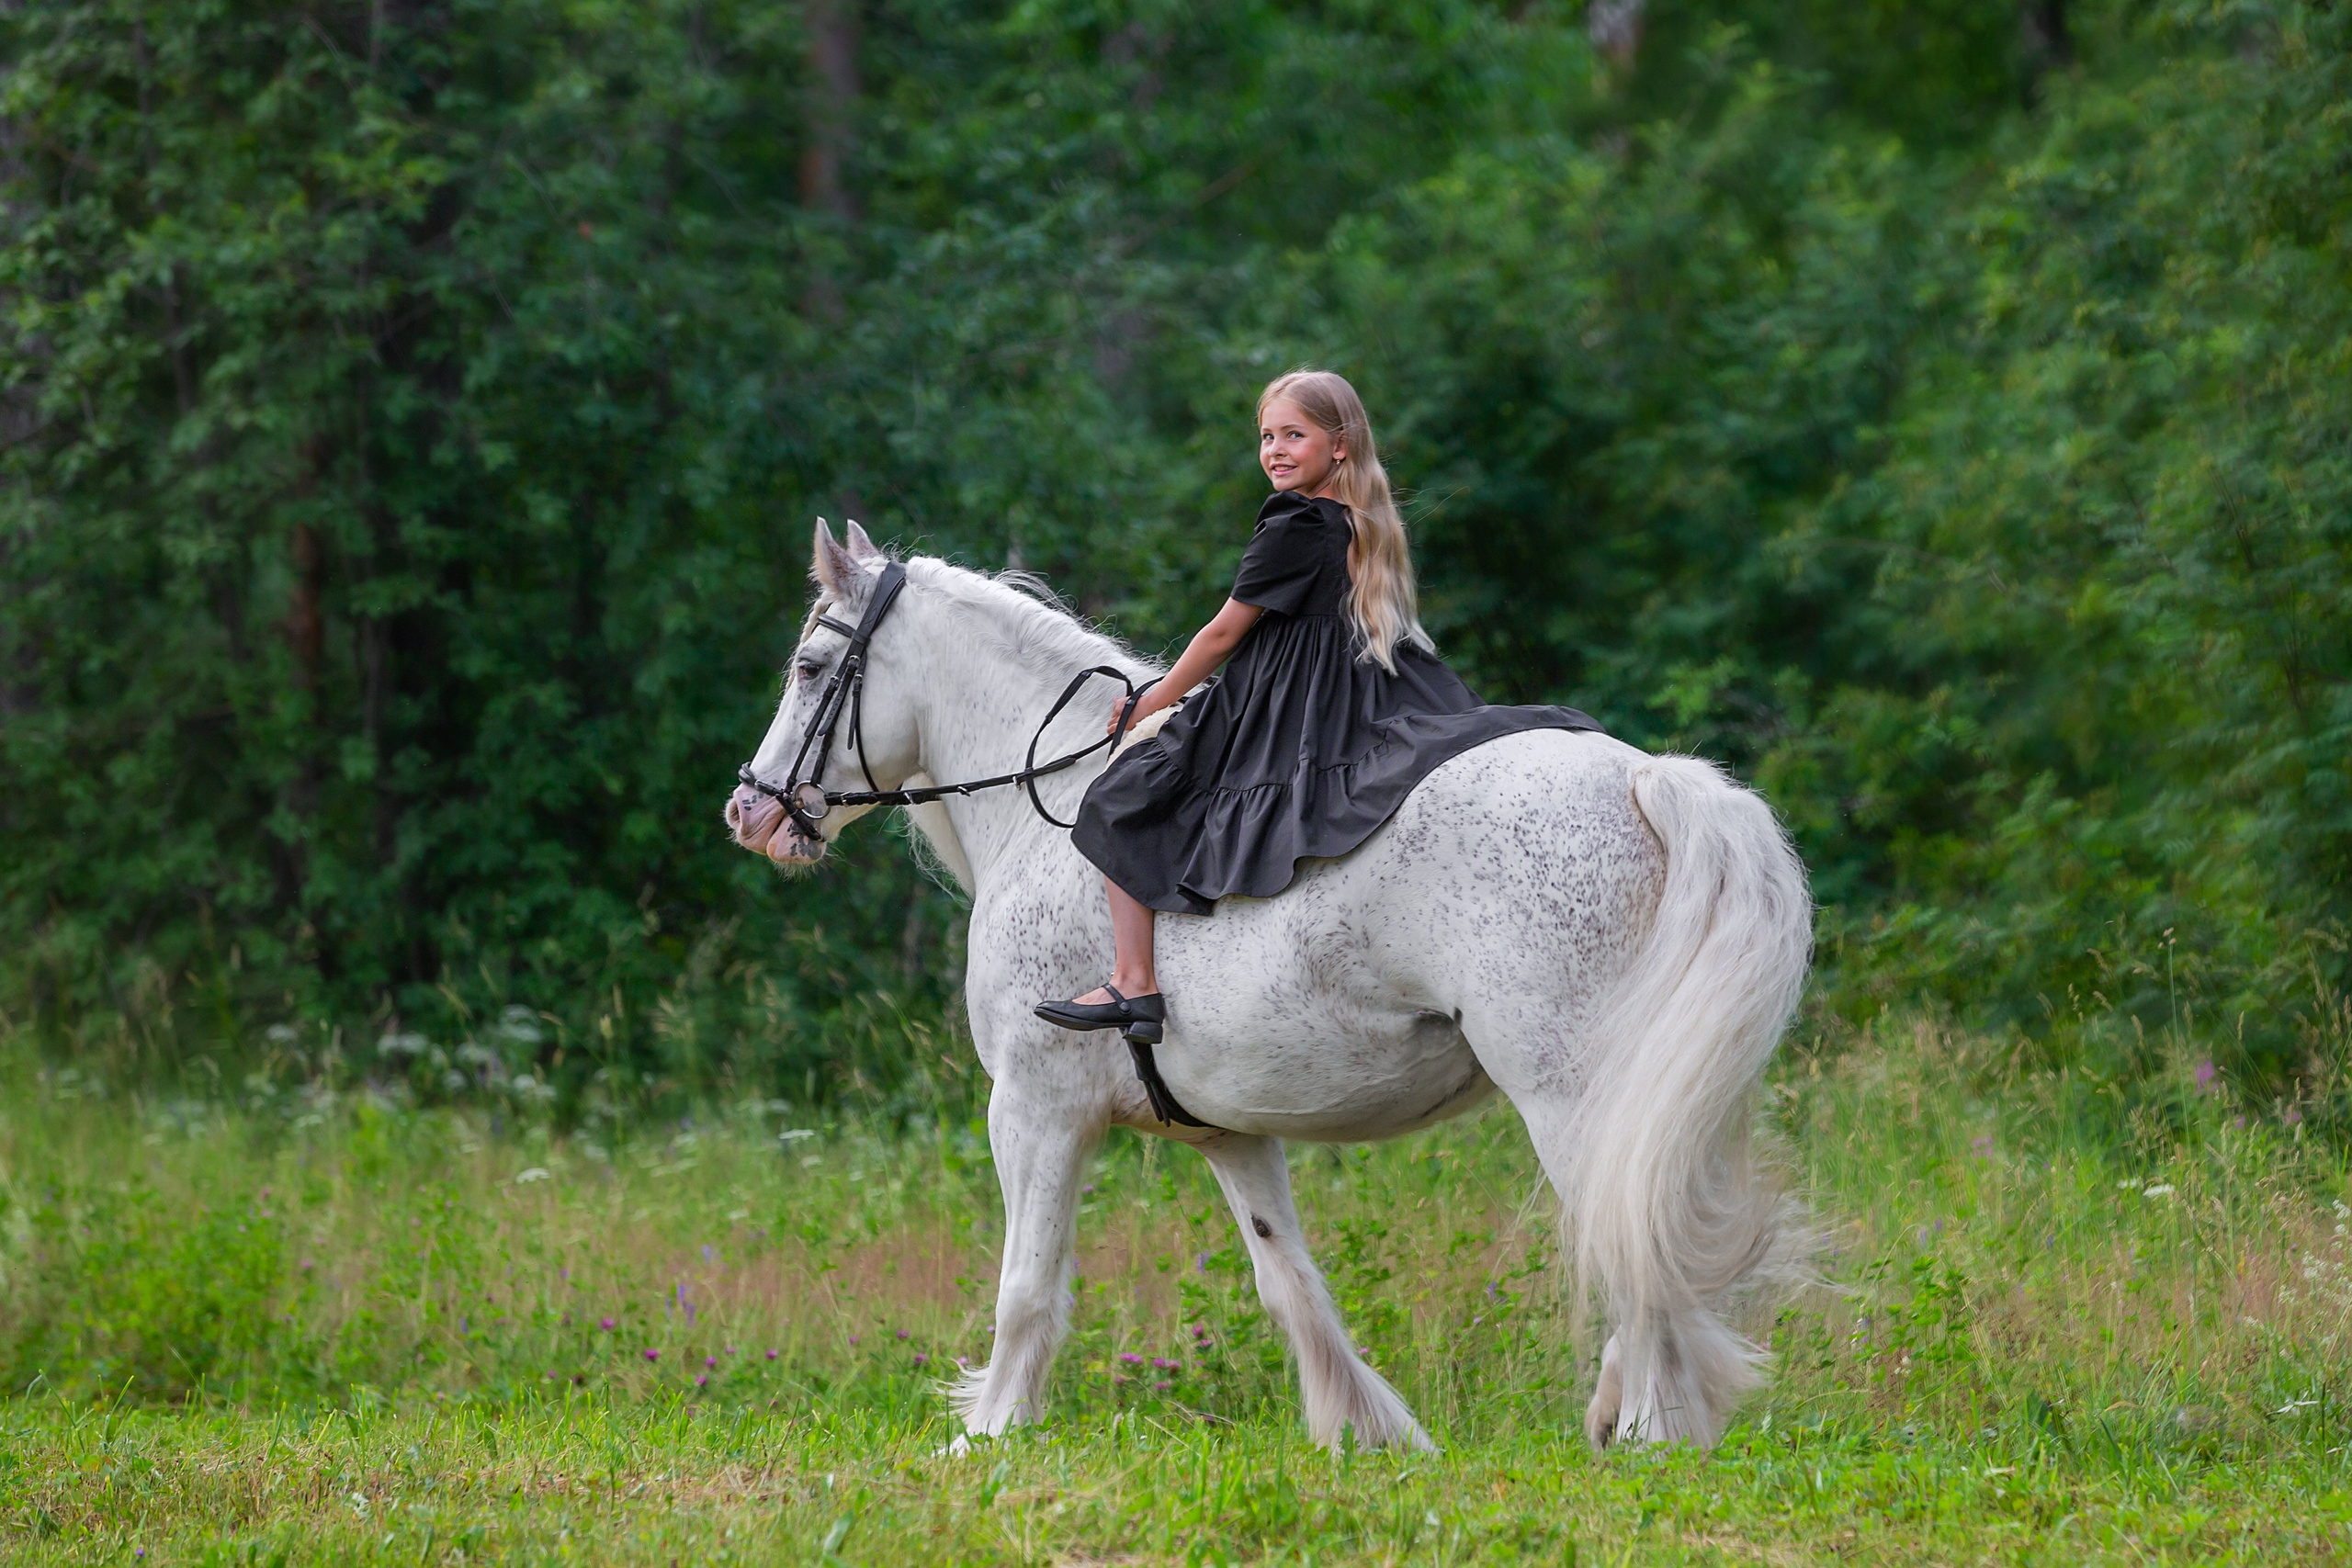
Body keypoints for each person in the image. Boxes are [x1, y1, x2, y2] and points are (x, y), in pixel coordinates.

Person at [1035, 369, 1600, 1045]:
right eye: (1267, 436)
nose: (1274, 449)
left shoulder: (1293, 521)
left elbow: (1222, 633)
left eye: (1293, 435)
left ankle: (1134, 982)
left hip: (1289, 699)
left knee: (1118, 798)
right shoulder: (1351, 517)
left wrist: (1152, 699)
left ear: (1339, 444)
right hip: (1354, 686)